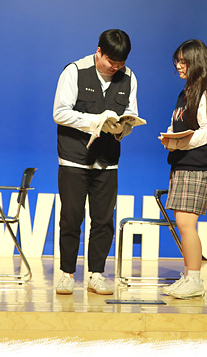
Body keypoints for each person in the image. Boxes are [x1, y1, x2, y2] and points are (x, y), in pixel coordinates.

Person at [53, 29, 138, 295]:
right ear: (99, 51)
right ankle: (67, 274)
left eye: (121, 62)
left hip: (108, 160)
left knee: (103, 220)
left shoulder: (129, 77)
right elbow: (60, 112)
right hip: (74, 158)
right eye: (111, 61)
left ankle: (96, 275)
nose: (115, 67)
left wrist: (123, 128)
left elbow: (131, 113)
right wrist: (94, 121)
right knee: (71, 217)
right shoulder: (75, 71)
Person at [159, 39, 207, 299]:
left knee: (187, 224)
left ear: (197, 62)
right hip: (182, 162)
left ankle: (195, 280)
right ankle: (188, 276)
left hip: (197, 165)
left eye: (183, 61)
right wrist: (170, 139)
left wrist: (180, 143)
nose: (178, 66)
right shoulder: (186, 92)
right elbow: (178, 124)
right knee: (182, 223)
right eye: (177, 61)